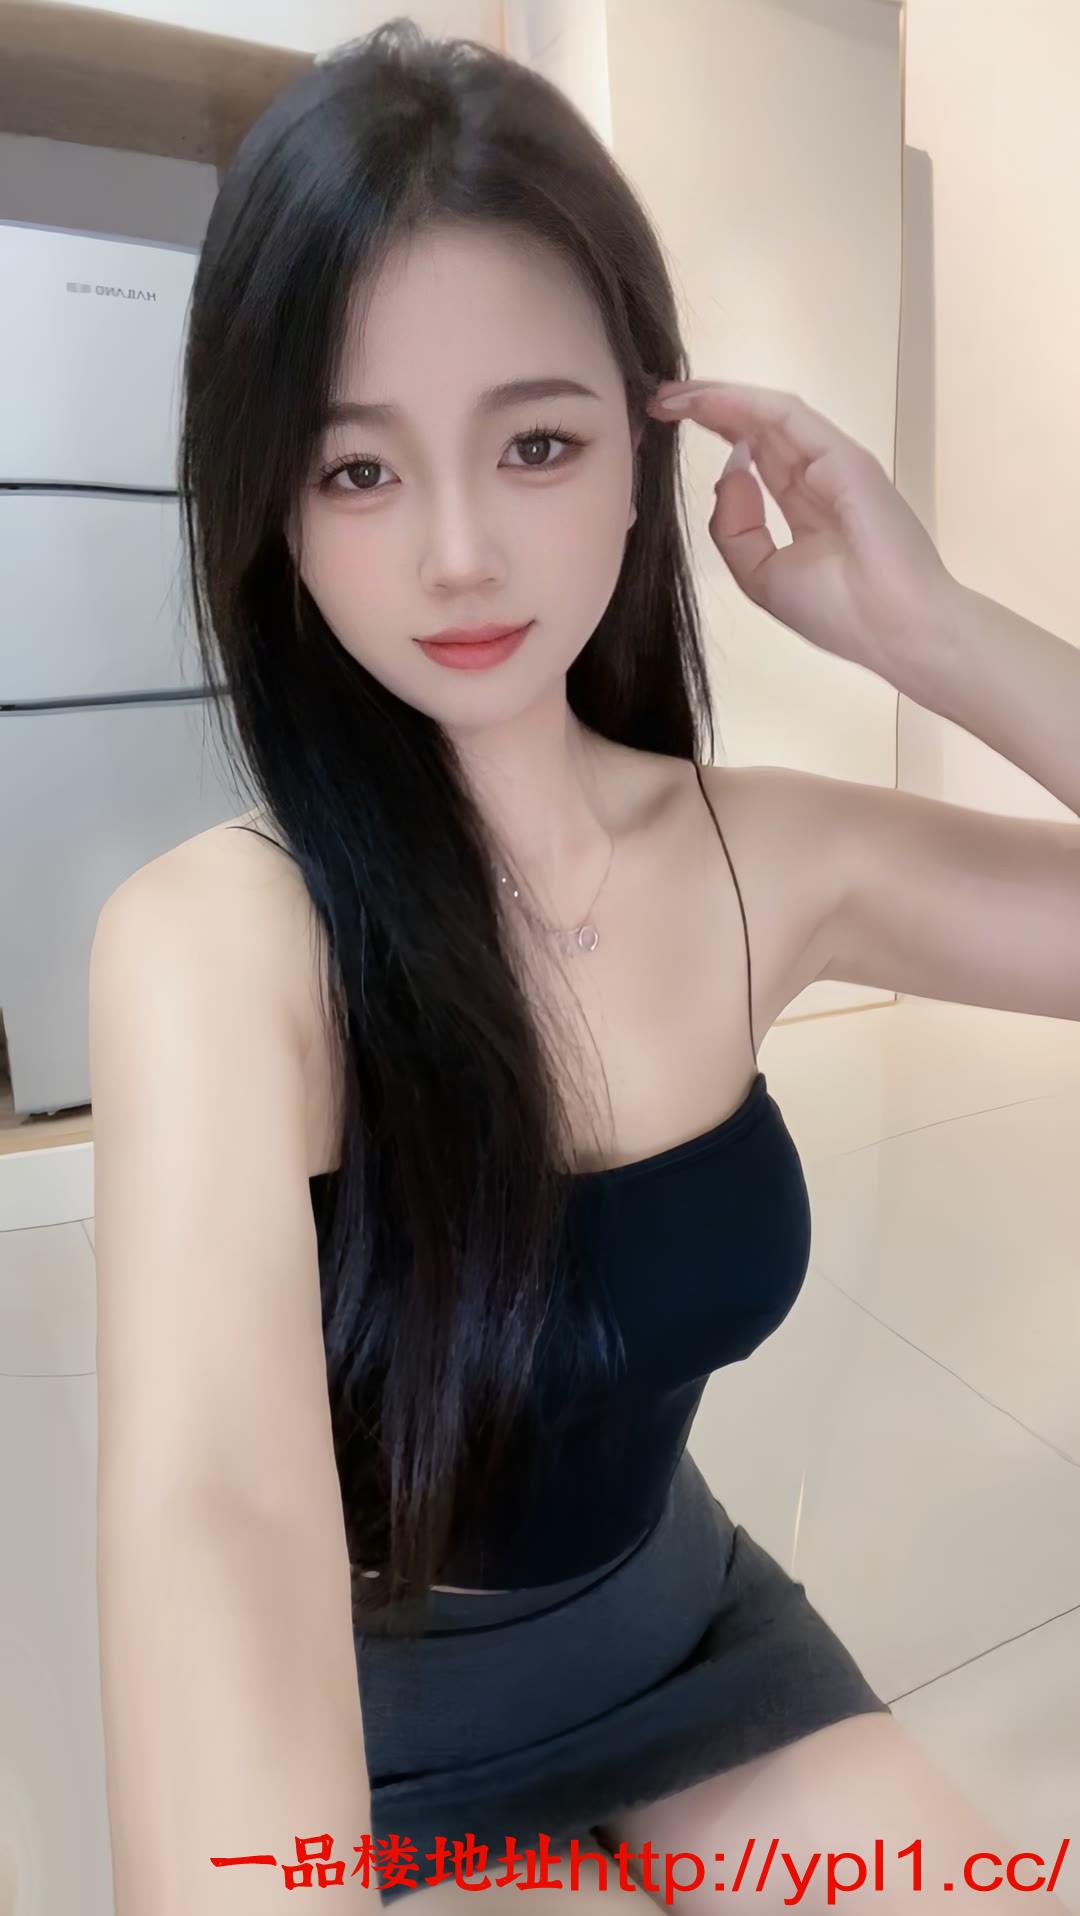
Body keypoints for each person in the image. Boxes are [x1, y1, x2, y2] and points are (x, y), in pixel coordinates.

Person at [89, 18, 1080, 1916]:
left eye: (535, 443)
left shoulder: (765, 856)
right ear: (271, 508)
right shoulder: (216, 950)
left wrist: (937, 631)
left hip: (694, 1647)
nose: (460, 554)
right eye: (358, 471)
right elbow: (219, 1516)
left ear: (643, 446)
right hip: (366, 1746)